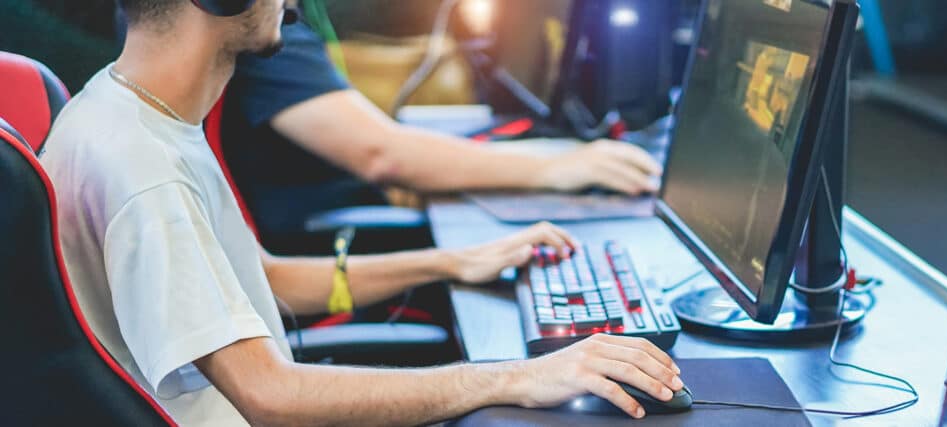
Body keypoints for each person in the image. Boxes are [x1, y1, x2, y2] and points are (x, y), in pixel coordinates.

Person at [41, 1, 684, 425]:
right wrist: (510, 377)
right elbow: (267, 395)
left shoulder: (139, 118)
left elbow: (262, 278)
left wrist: (454, 261)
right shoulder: (143, 169)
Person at [217, 1, 664, 245]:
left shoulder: (279, 26)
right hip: (321, 247)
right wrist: (554, 169)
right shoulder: (262, 36)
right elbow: (382, 155)